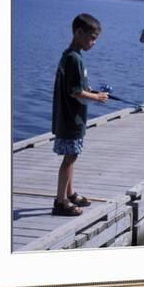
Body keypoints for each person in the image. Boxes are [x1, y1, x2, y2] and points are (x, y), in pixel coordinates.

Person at [51, 13, 109, 216]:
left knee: (72, 156)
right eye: (92, 38)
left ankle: (70, 193)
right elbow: (75, 92)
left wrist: (90, 91)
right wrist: (98, 97)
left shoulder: (70, 55)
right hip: (70, 119)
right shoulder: (74, 59)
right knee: (69, 158)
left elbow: (76, 86)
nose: (93, 43)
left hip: (69, 117)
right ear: (79, 32)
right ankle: (60, 202)